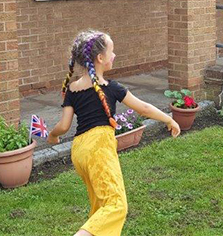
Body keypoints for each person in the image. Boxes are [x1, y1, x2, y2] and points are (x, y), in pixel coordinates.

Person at [46, 30, 181, 236]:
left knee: (100, 206)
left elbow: (64, 126)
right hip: (99, 149)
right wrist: (169, 118)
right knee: (116, 205)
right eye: (112, 51)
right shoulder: (111, 88)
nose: (115, 55)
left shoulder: (73, 88)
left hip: (79, 151)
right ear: (100, 58)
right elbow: (143, 108)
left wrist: (53, 136)